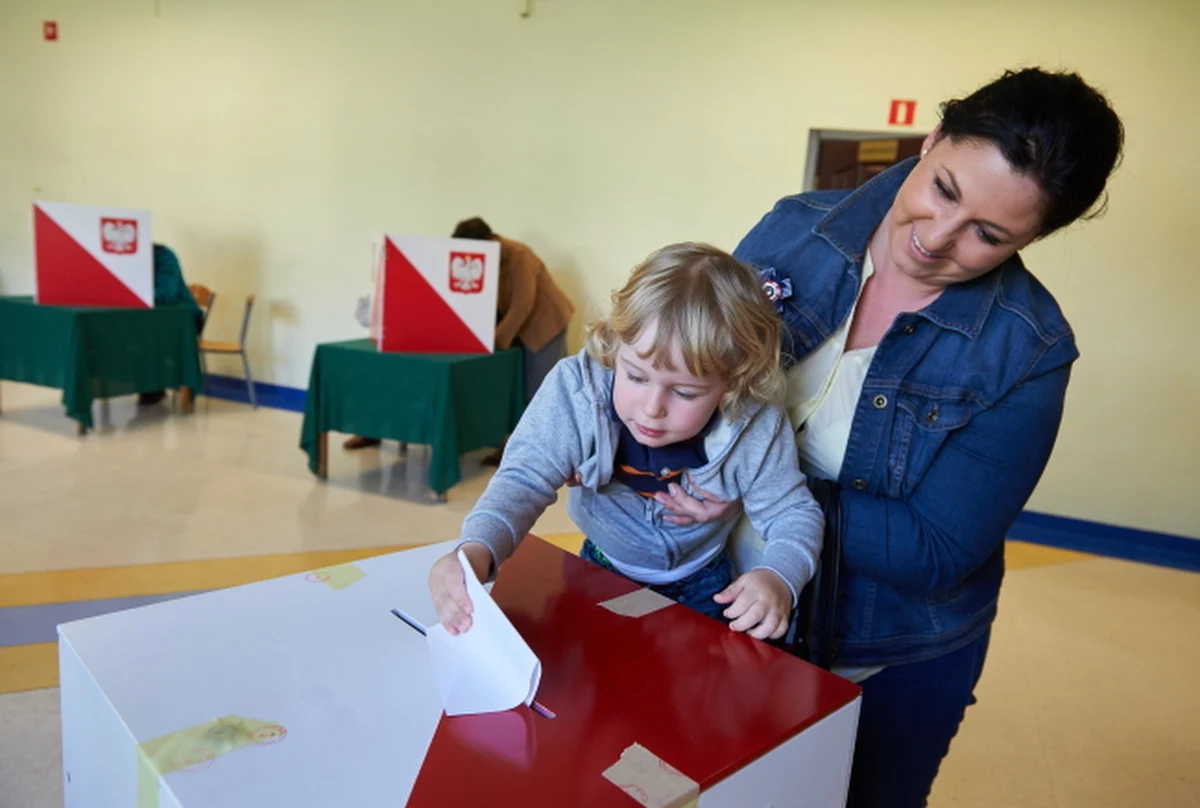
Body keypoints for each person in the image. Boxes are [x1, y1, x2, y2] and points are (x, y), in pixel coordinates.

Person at [656, 68, 1124, 807]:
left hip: (883, 650)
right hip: (716, 596)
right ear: (932, 139)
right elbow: (697, 368)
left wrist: (751, 489)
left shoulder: (1026, 348)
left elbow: (936, 549)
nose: (936, 239)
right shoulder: (794, 228)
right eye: (943, 189)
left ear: (1033, 238)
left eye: (988, 235)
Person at [428, 243, 824, 639]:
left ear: (733, 383)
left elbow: (792, 513)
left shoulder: (756, 421)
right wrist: (477, 548)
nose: (652, 409)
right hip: (599, 568)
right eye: (635, 376)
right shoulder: (576, 390)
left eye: (684, 393)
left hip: (704, 584)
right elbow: (523, 479)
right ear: (615, 344)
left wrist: (779, 575)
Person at [344, 218, 574, 456]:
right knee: (510, 387)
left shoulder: (519, 256)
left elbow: (522, 305)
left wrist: (494, 341)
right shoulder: (484, 256)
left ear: (490, 240)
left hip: (545, 324)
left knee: (538, 389)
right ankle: (509, 445)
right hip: (515, 326)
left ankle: (540, 453)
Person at [137, 244, 204, 406]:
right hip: (148, 321)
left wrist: (130, 295)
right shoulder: (123, 260)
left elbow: (166, 294)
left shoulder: (164, 255)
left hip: (185, 321)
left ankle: (155, 386)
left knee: (146, 337)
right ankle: (150, 384)